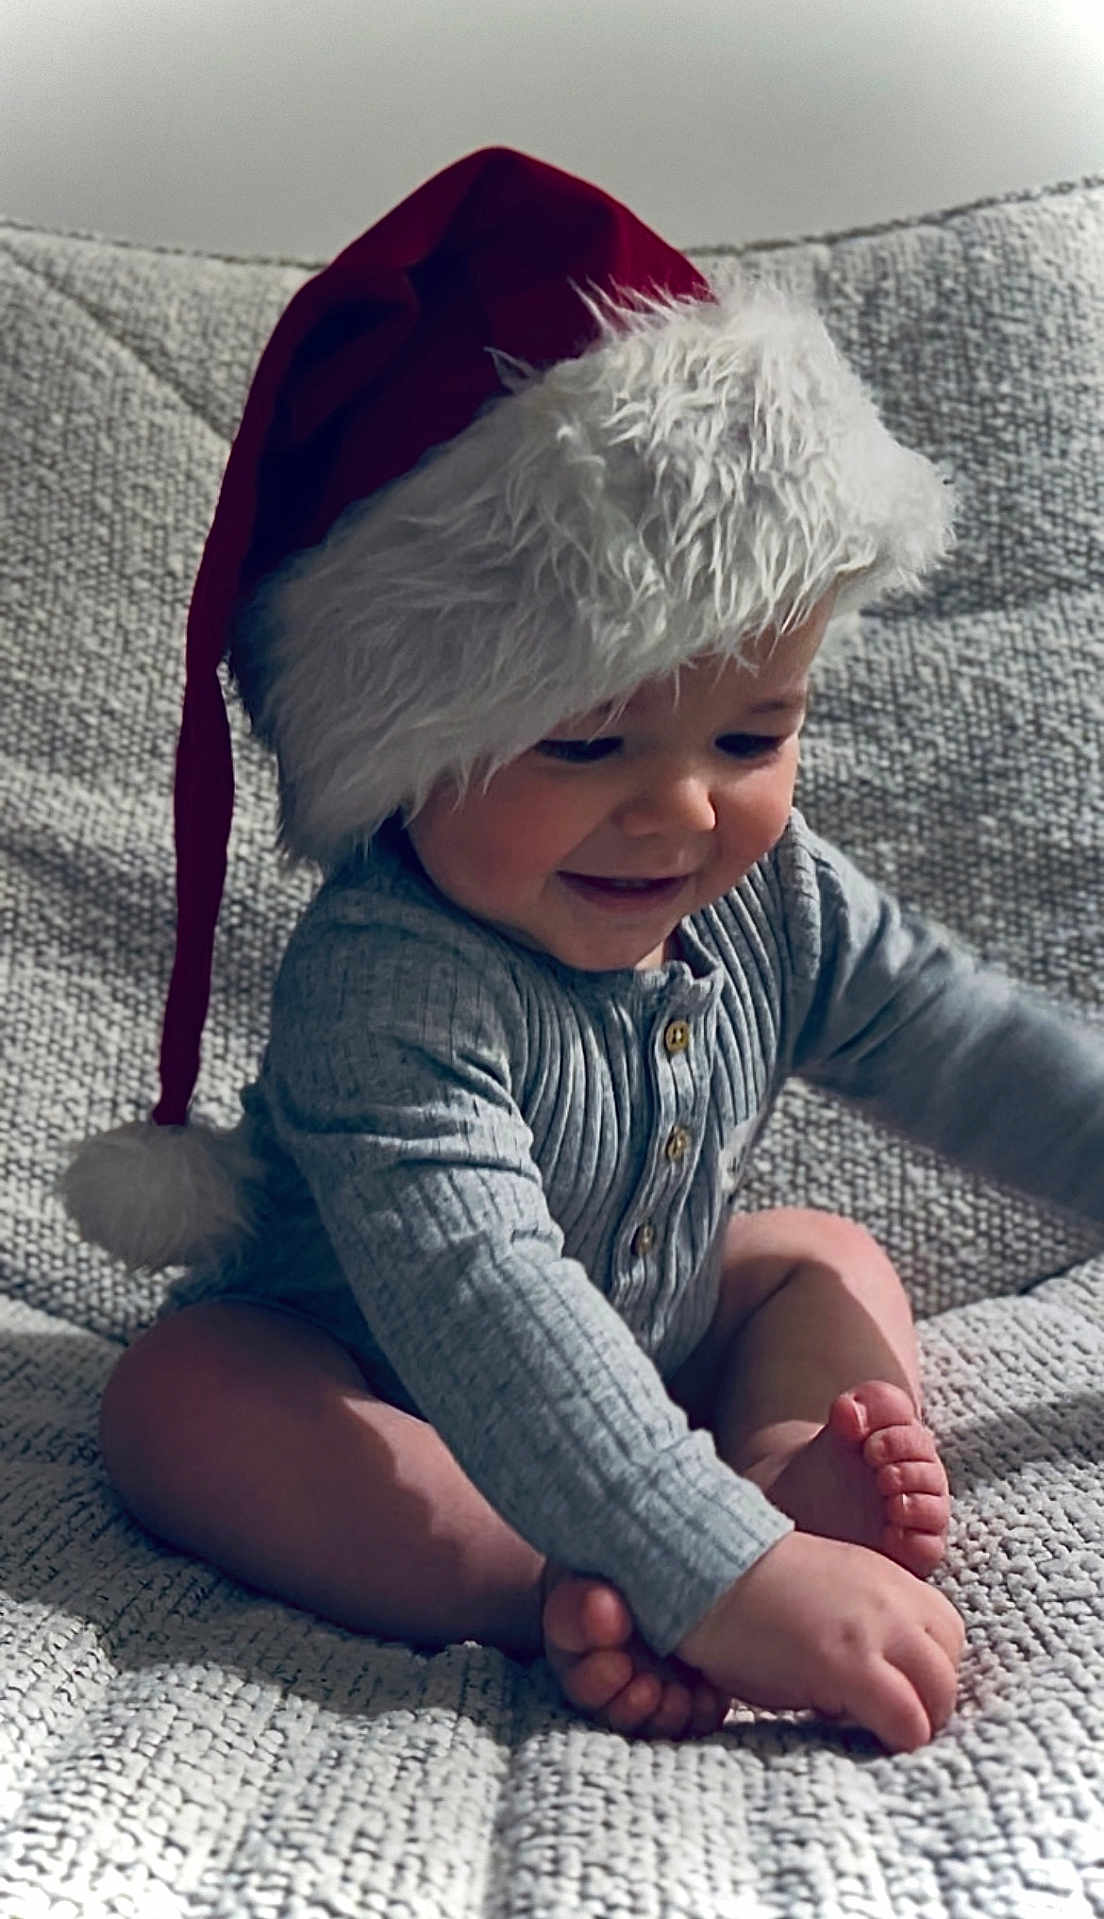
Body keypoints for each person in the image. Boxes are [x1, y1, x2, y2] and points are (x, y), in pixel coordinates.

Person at [61, 148, 1103, 1755]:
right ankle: (550, 1574)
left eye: (753, 733)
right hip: (370, 1378)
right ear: (412, 750)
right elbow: (480, 1289)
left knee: (827, 1253)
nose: (682, 808)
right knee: (178, 1405)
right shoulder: (388, 984)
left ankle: (766, 1467)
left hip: (652, 1330)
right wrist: (720, 1577)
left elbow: (966, 1041)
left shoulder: (775, 900)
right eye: (587, 747)